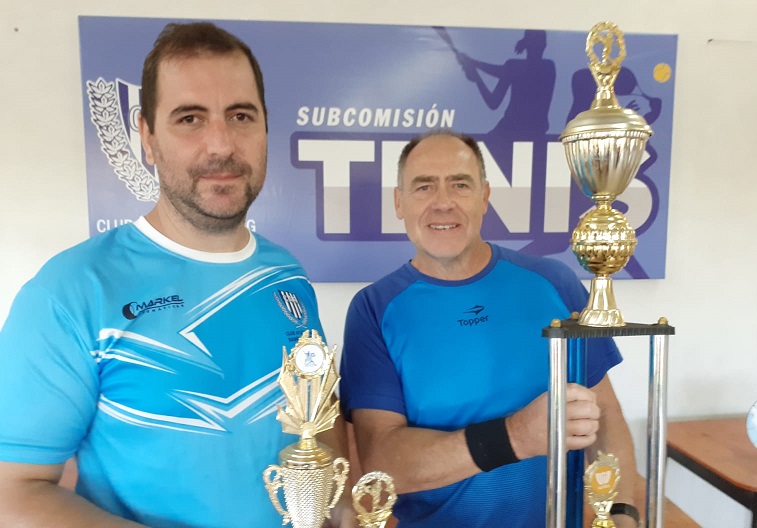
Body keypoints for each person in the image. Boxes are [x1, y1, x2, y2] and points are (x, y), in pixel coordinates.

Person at [0, 22, 353, 528]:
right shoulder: (72, 290)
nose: (221, 144)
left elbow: (315, 412)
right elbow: (12, 494)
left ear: (264, 129)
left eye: (241, 116)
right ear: (147, 137)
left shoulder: (286, 274)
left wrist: (338, 505)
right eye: (190, 118)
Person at [339, 130, 642, 528]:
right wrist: (514, 437)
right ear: (399, 202)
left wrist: (622, 513)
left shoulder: (555, 283)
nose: (442, 202)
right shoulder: (374, 309)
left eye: (460, 185)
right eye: (424, 186)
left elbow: (604, 415)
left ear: (484, 196)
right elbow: (383, 464)